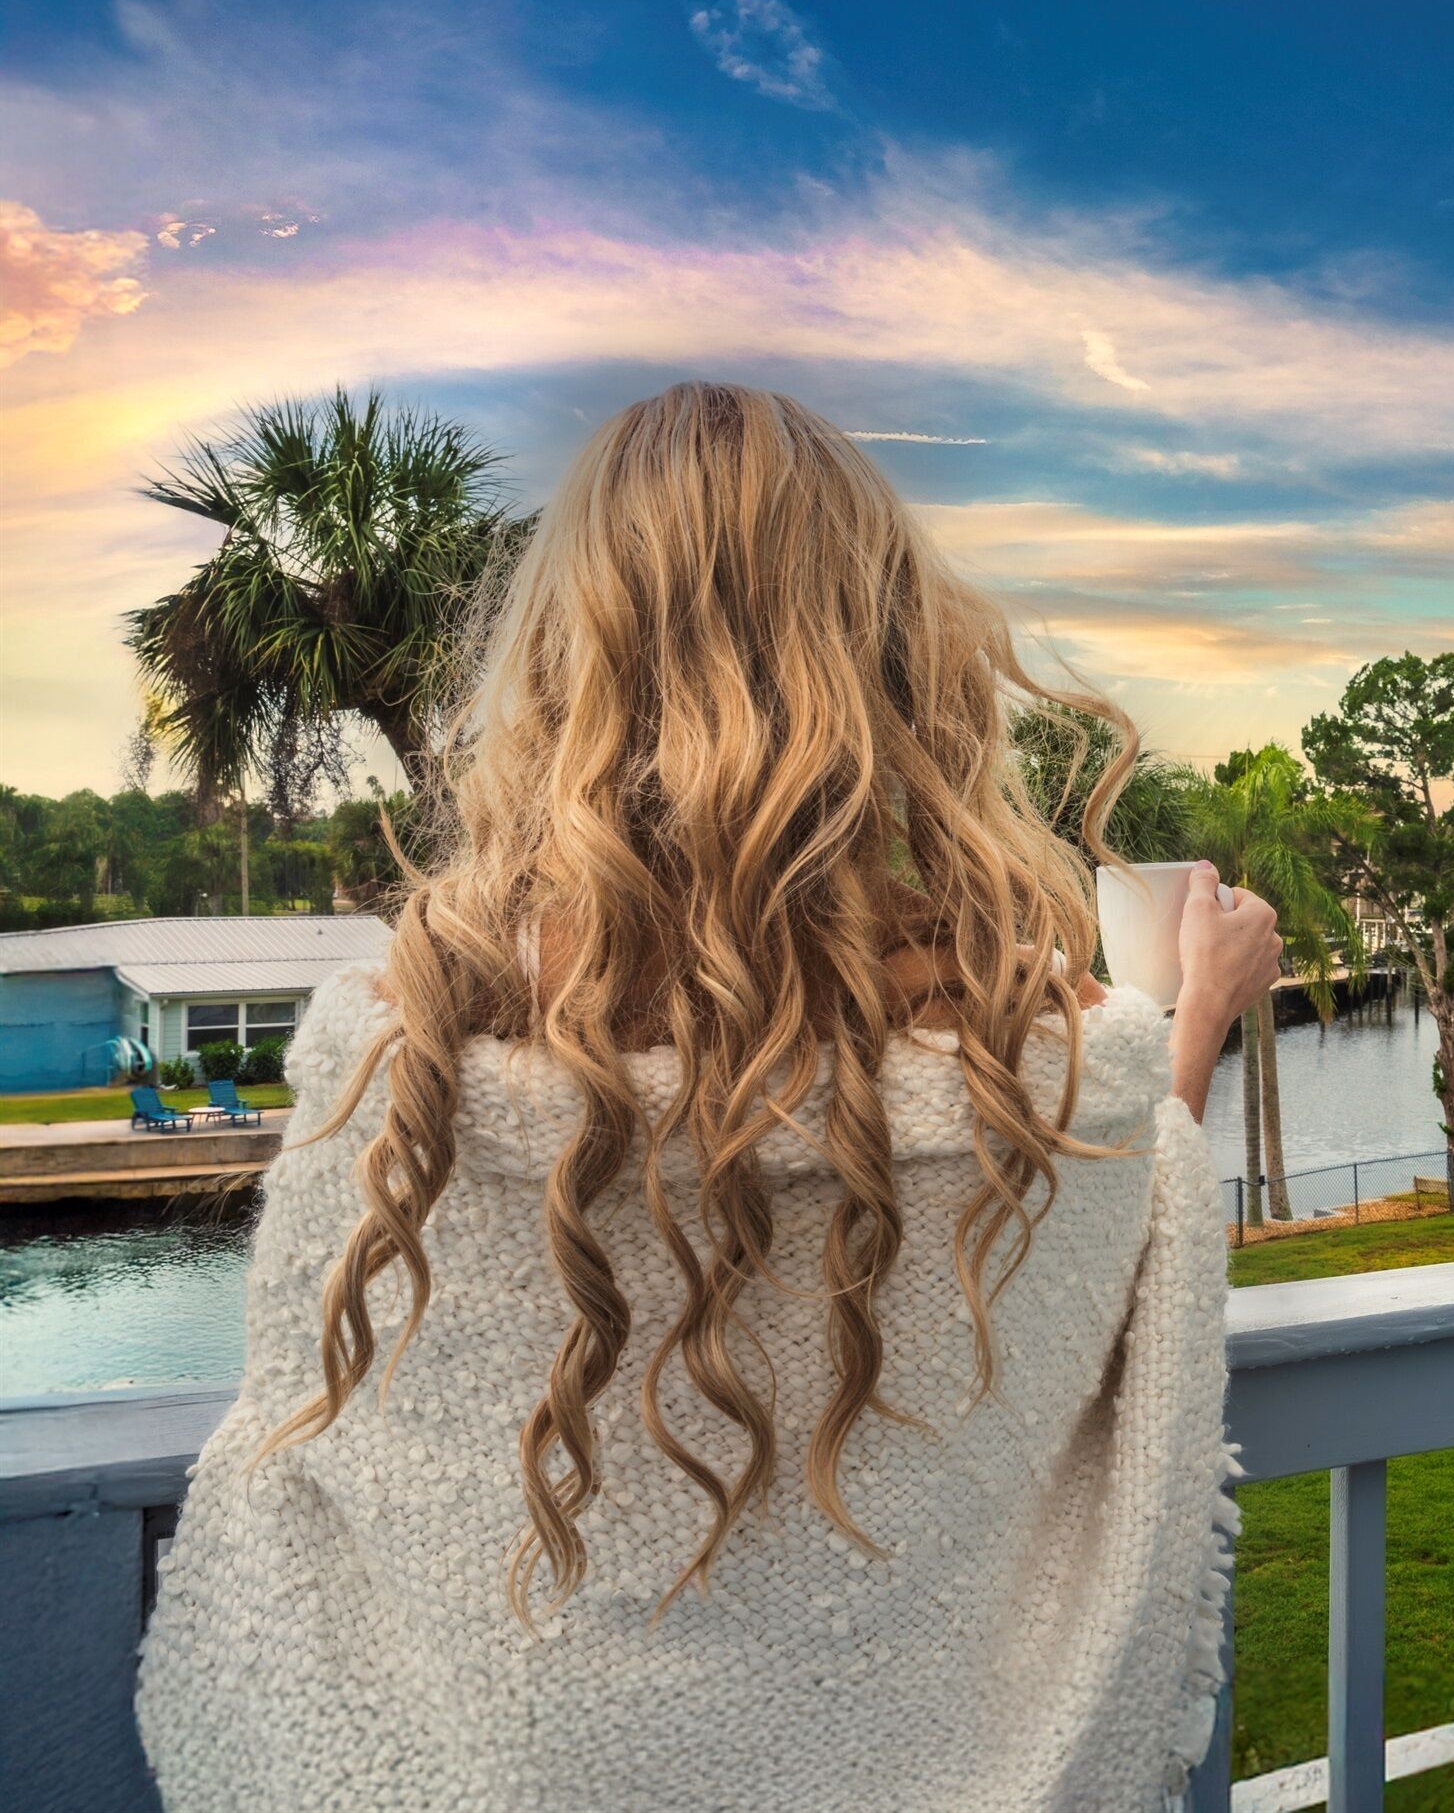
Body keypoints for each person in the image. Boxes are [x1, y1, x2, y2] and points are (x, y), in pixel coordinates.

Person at [136, 383, 1284, 1811]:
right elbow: (1129, 1231)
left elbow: (311, 1469)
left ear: (567, 659)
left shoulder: (406, 1056)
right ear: (895, 656)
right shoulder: (1030, 1047)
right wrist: (1203, 1015)